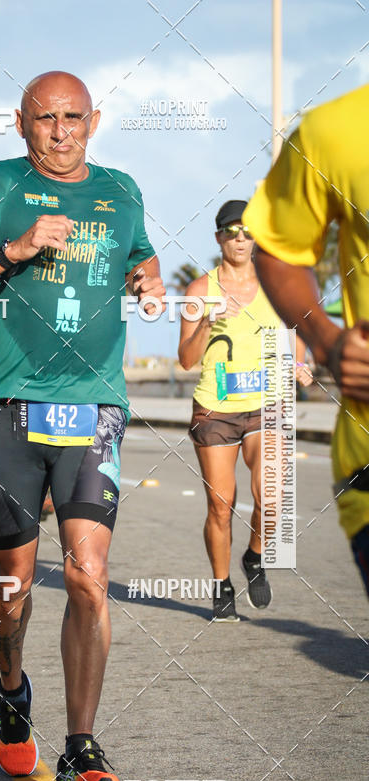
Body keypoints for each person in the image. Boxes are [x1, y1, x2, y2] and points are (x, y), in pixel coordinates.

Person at [0, 71, 163, 781]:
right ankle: (11, 687)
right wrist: (11, 253)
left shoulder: (121, 191)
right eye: (45, 119)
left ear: (96, 119)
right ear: (20, 122)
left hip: (95, 404)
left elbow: (138, 254)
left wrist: (148, 282)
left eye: (73, 118)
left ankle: (81, 747)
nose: (61, 133)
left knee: (89, 575)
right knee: (14, 589)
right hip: (8, 404)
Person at [244, 84, 369, 596]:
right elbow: (278, 249)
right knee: (233, 496)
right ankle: (242, 568)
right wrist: (328, 341)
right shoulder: (335, 130)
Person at [178, 201, 311, 621]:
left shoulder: (277, 285)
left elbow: (297, 329)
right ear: (219, 237)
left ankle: (254, 558)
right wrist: (206, 322)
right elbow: (185, 358)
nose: (240, 238)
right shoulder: (201, 290)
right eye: (231, 230)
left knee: (270, 499)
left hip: (266, 403)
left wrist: (299, 364)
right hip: (215, 409)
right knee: (222, 504)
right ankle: (221, 585)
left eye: (248, 231)